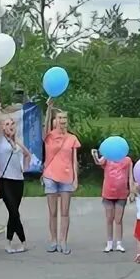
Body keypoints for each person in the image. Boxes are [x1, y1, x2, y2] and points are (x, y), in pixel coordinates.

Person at [0, 88, 32, 254]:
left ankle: (8, 243)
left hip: (18, 180)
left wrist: (25, 168)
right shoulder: (0, 141)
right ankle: (22, 240)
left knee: (13, 213)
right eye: (7, 124)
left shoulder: (18, 140)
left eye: (12, 123)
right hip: (5, 180)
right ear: (3, 128)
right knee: (13, 211)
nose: (10, 126)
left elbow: (28, 155)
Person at [43, 98, 81, 254]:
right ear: (55, 121)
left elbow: (74, 160)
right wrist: (49, 109)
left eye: (64, 118)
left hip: (66, 177)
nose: (62, 121)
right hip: (50, 176)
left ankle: (63, 240)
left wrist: (76, 178)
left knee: (65, 212)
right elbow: (45, 126)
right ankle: (53, 240)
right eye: (59, 118)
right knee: (52, 212)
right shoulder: (49, 136)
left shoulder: (72, 138)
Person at [92, 149, 134, 253]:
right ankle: (109, 243)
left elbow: (130, 177)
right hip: (108, 193)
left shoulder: (127, 160)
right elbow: (98, 162)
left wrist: (132, 191)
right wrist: (94, 155)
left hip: (122, 194)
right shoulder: (107, 158)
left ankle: (119, 243)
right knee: (109, 219)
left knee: (118, 219)